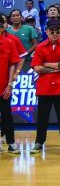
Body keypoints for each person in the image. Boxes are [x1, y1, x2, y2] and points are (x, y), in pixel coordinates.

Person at [29, 20, 60, 154]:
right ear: (47, 32)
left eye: (57, 31)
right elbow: (37, 68)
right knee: (42, 117)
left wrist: (46, 64)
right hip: (44, 88)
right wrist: (57, 66)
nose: (55, 34)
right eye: (52, 31)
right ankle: (39, 142)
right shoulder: (40, 47)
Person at [0, 14, 22, 154]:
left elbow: (13, 64)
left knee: (7, 114)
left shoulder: (9, 43)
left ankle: (11, 142)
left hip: (3, 86)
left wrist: (9, 84)